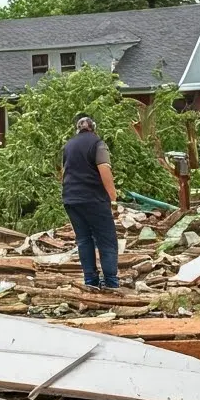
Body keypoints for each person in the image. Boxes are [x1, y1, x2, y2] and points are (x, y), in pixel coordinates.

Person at [60, 115, 120, 289]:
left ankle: (90, 281)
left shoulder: (68, 145)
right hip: (93, 198)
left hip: (71, 198)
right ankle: (110, 282)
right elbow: (104, 169)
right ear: (93, 127)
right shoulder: (97, 143)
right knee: (106, 239)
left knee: (84, 239)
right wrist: (113, 197)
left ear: (77, 129)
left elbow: (64, 172)